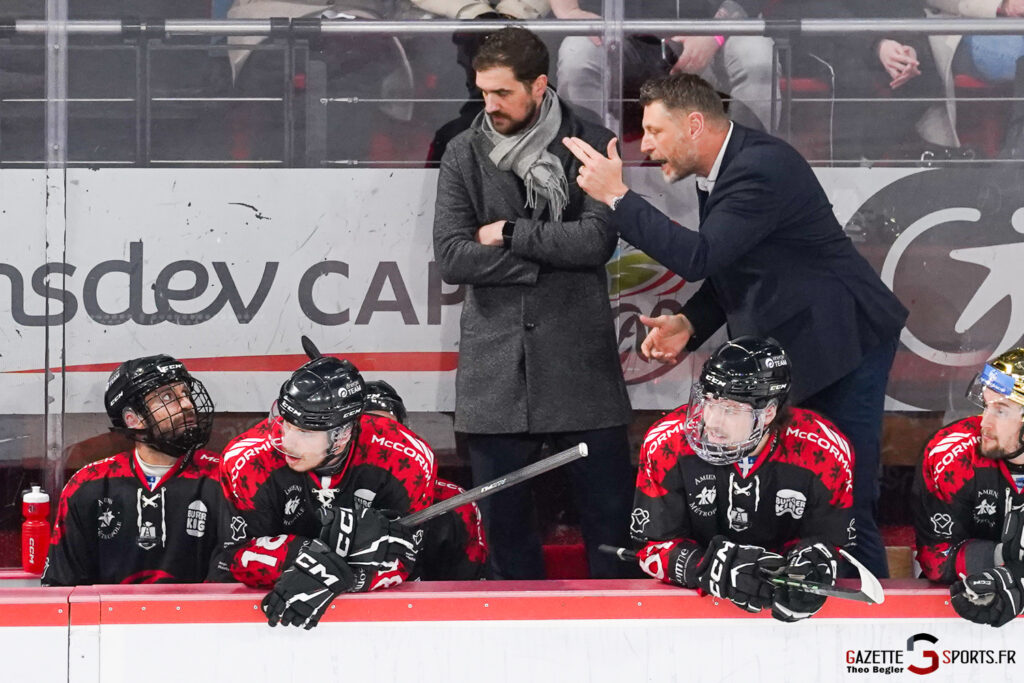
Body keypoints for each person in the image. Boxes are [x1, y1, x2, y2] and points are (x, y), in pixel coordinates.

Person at [563, 73, 907, 579]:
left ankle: (875, 626)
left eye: (656, 131)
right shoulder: (725, 169)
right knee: (793, 496)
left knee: (846, 499)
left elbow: (700, 257)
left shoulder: (760, 168)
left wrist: (618, 199)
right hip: (799, 346)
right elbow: (737, 266)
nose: (648, 145)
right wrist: (689, 323)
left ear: (695, 124)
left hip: (844, 344)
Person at [432, 26, 634, 580]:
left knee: (611, 542)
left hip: (580, 365)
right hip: (495, 370)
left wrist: (511, 234)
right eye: (482, 91)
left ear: (539, 85)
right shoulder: (462, 149)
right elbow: (452, 256)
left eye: (502, 93)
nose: (488, 104)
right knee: (507, 545)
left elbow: (596, 241)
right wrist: (550, 259)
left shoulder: (591, 142)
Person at [633, 336, 853, 621]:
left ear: (768, 412)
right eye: (709, 402)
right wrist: (708, 567)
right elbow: (651, 548)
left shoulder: (824, 453)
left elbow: (833, 545)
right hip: (689, 615)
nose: (711, 421)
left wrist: (807, 571)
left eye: (731, 409)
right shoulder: (666, 444)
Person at [219, 355, 435, 628]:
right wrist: (314, 560)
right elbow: (238, 554)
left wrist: (342, 576)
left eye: (305, 432)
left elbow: (404, 558)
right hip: (266, 618)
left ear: (343, 434)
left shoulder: (406, 459)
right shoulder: (247, 459)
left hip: (374, 624)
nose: (286, 441)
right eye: (285, 423)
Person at [43, 355, 227, 585]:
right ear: (133, 419)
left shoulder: (225, 478)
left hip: (199, 620)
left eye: (185, 394)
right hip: (109, 620)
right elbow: (62, 588)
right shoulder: (88, 486)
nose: (188, 404)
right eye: (169, 397)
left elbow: (231, 584)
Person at [914, 348, 1024, 627]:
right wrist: (1007, 562)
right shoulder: (952, 456)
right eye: (985, 405)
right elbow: (936, 560)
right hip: (964, 606)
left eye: (1000, 410)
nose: (984, 422)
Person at [363, 380, 489, 580]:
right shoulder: (311, 495)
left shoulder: (451, 503)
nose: (377, 442)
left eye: (387, 431)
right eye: (364, 431)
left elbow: (471, 596)